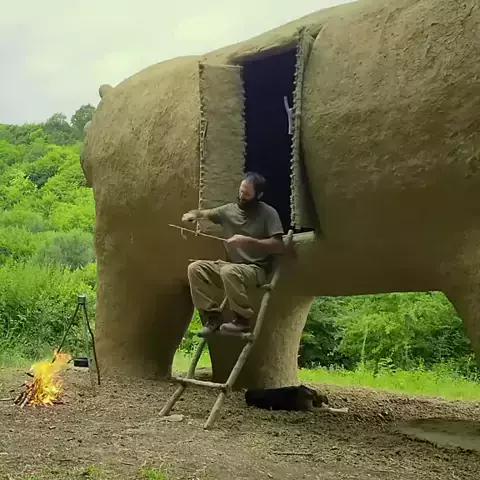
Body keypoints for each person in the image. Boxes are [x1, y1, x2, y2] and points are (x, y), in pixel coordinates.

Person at [182, 172, 285, 336]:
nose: (242, 196)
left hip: (256, 269)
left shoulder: (268, 213)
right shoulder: (228, 210)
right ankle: (212, 317)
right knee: (195, 268)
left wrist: (247, 241)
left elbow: (279, 245)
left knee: (228, 271)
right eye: (241, 191)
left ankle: (242, 320)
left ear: (258, 195)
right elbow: (203, 213)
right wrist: (193, 214)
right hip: (231, 267)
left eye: (247, 194)